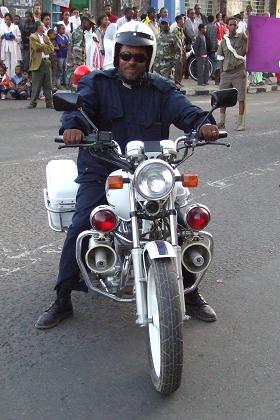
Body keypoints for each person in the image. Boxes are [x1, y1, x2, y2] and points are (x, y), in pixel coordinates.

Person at [35, 21, 219, 330]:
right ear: (116, 55)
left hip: (149, 171)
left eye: (139, 57)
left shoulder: (161, 88)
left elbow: (186, 111)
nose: (131, 62)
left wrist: (203, 125)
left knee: (181, 221)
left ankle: (190, 293)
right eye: (126, 56)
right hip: (104, 167)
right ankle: (63, 296)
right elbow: (77, 110)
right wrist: (73, 128)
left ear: (149, 59)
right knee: (83, 222)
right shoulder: (96, 83)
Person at [217, 17, 247, 130]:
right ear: (227, 26)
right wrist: (221, 73)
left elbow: (250, 36)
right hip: (226, 73)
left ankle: (240, 123)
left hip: (239, 71)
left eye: (235, 25)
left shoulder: (242, 38)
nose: (233, 27)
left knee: (241, 97)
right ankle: (222, 122)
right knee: (222, 98)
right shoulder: (224, 42)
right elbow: (220, 57)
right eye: (231, 25)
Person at [28, 20, 54, 109]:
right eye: (43, 25)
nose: (44, 27)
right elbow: (36, 47)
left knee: (48, 84)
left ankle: (49, 103)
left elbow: (51, 48)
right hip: (37, 63)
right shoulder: (33, 36)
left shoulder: (46, 37)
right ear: (39, 27)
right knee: (36, 84)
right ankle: (33, 103)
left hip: (46, 61)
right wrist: (45, 46)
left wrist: (43, 46)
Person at [171, 15, 186, 89]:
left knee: (181, 68)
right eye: (183, 19)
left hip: (182, 51)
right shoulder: (175, 30)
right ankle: (176, 82)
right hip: (177, 52)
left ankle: (179, 81)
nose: (184, 21)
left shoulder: (181, 29)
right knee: (177, 68)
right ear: (179, 20)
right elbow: (175, 43)